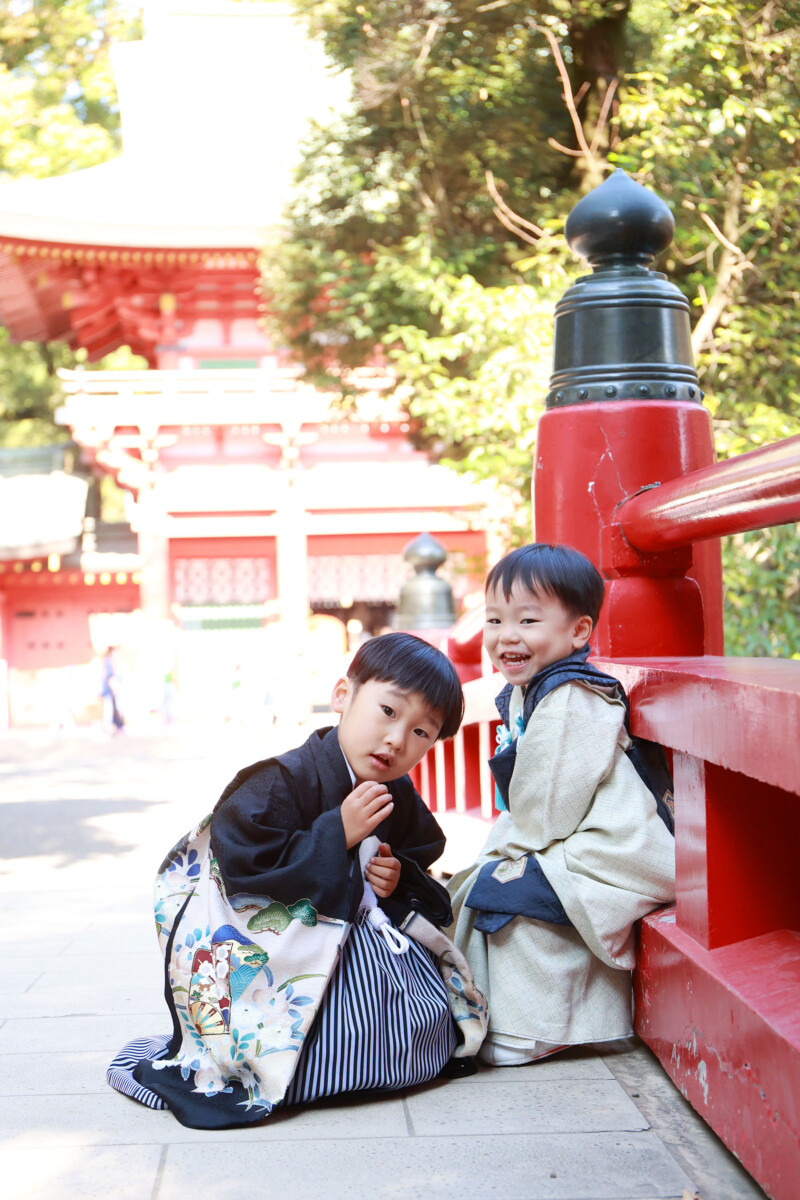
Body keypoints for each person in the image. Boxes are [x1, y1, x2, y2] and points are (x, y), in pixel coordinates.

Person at [107, 632, 486, 1129]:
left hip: (359, 944)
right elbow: (242, 872)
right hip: (272, 959)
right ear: (343, 696)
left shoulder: (397, 791)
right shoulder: (275, 783)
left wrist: (396, 876)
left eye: (423, 732)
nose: (398, 739)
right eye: (390, 712)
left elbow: (419, 857)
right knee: (329, 1049)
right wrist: (335, 836)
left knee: (420, 1031)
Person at [447, 543, 676, 1067]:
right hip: (576, 839)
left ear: (578, 632)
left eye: (528, 619)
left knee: (508, 894)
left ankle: (543, 1028)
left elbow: (550, 807)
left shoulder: (574, 695)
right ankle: (506, 1014)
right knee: (480, 885)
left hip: (616, 850)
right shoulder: (536, 691)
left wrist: (510, 852)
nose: (507, 635)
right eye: (495, 620)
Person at [100, 646, 125, 735]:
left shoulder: (110, 661)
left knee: (112, 708)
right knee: (109, 708)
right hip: (110, 690)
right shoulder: (108, 661)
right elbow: (110, 677)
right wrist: (114, 689)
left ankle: (118, 726)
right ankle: (108, 726)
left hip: (111, 689)